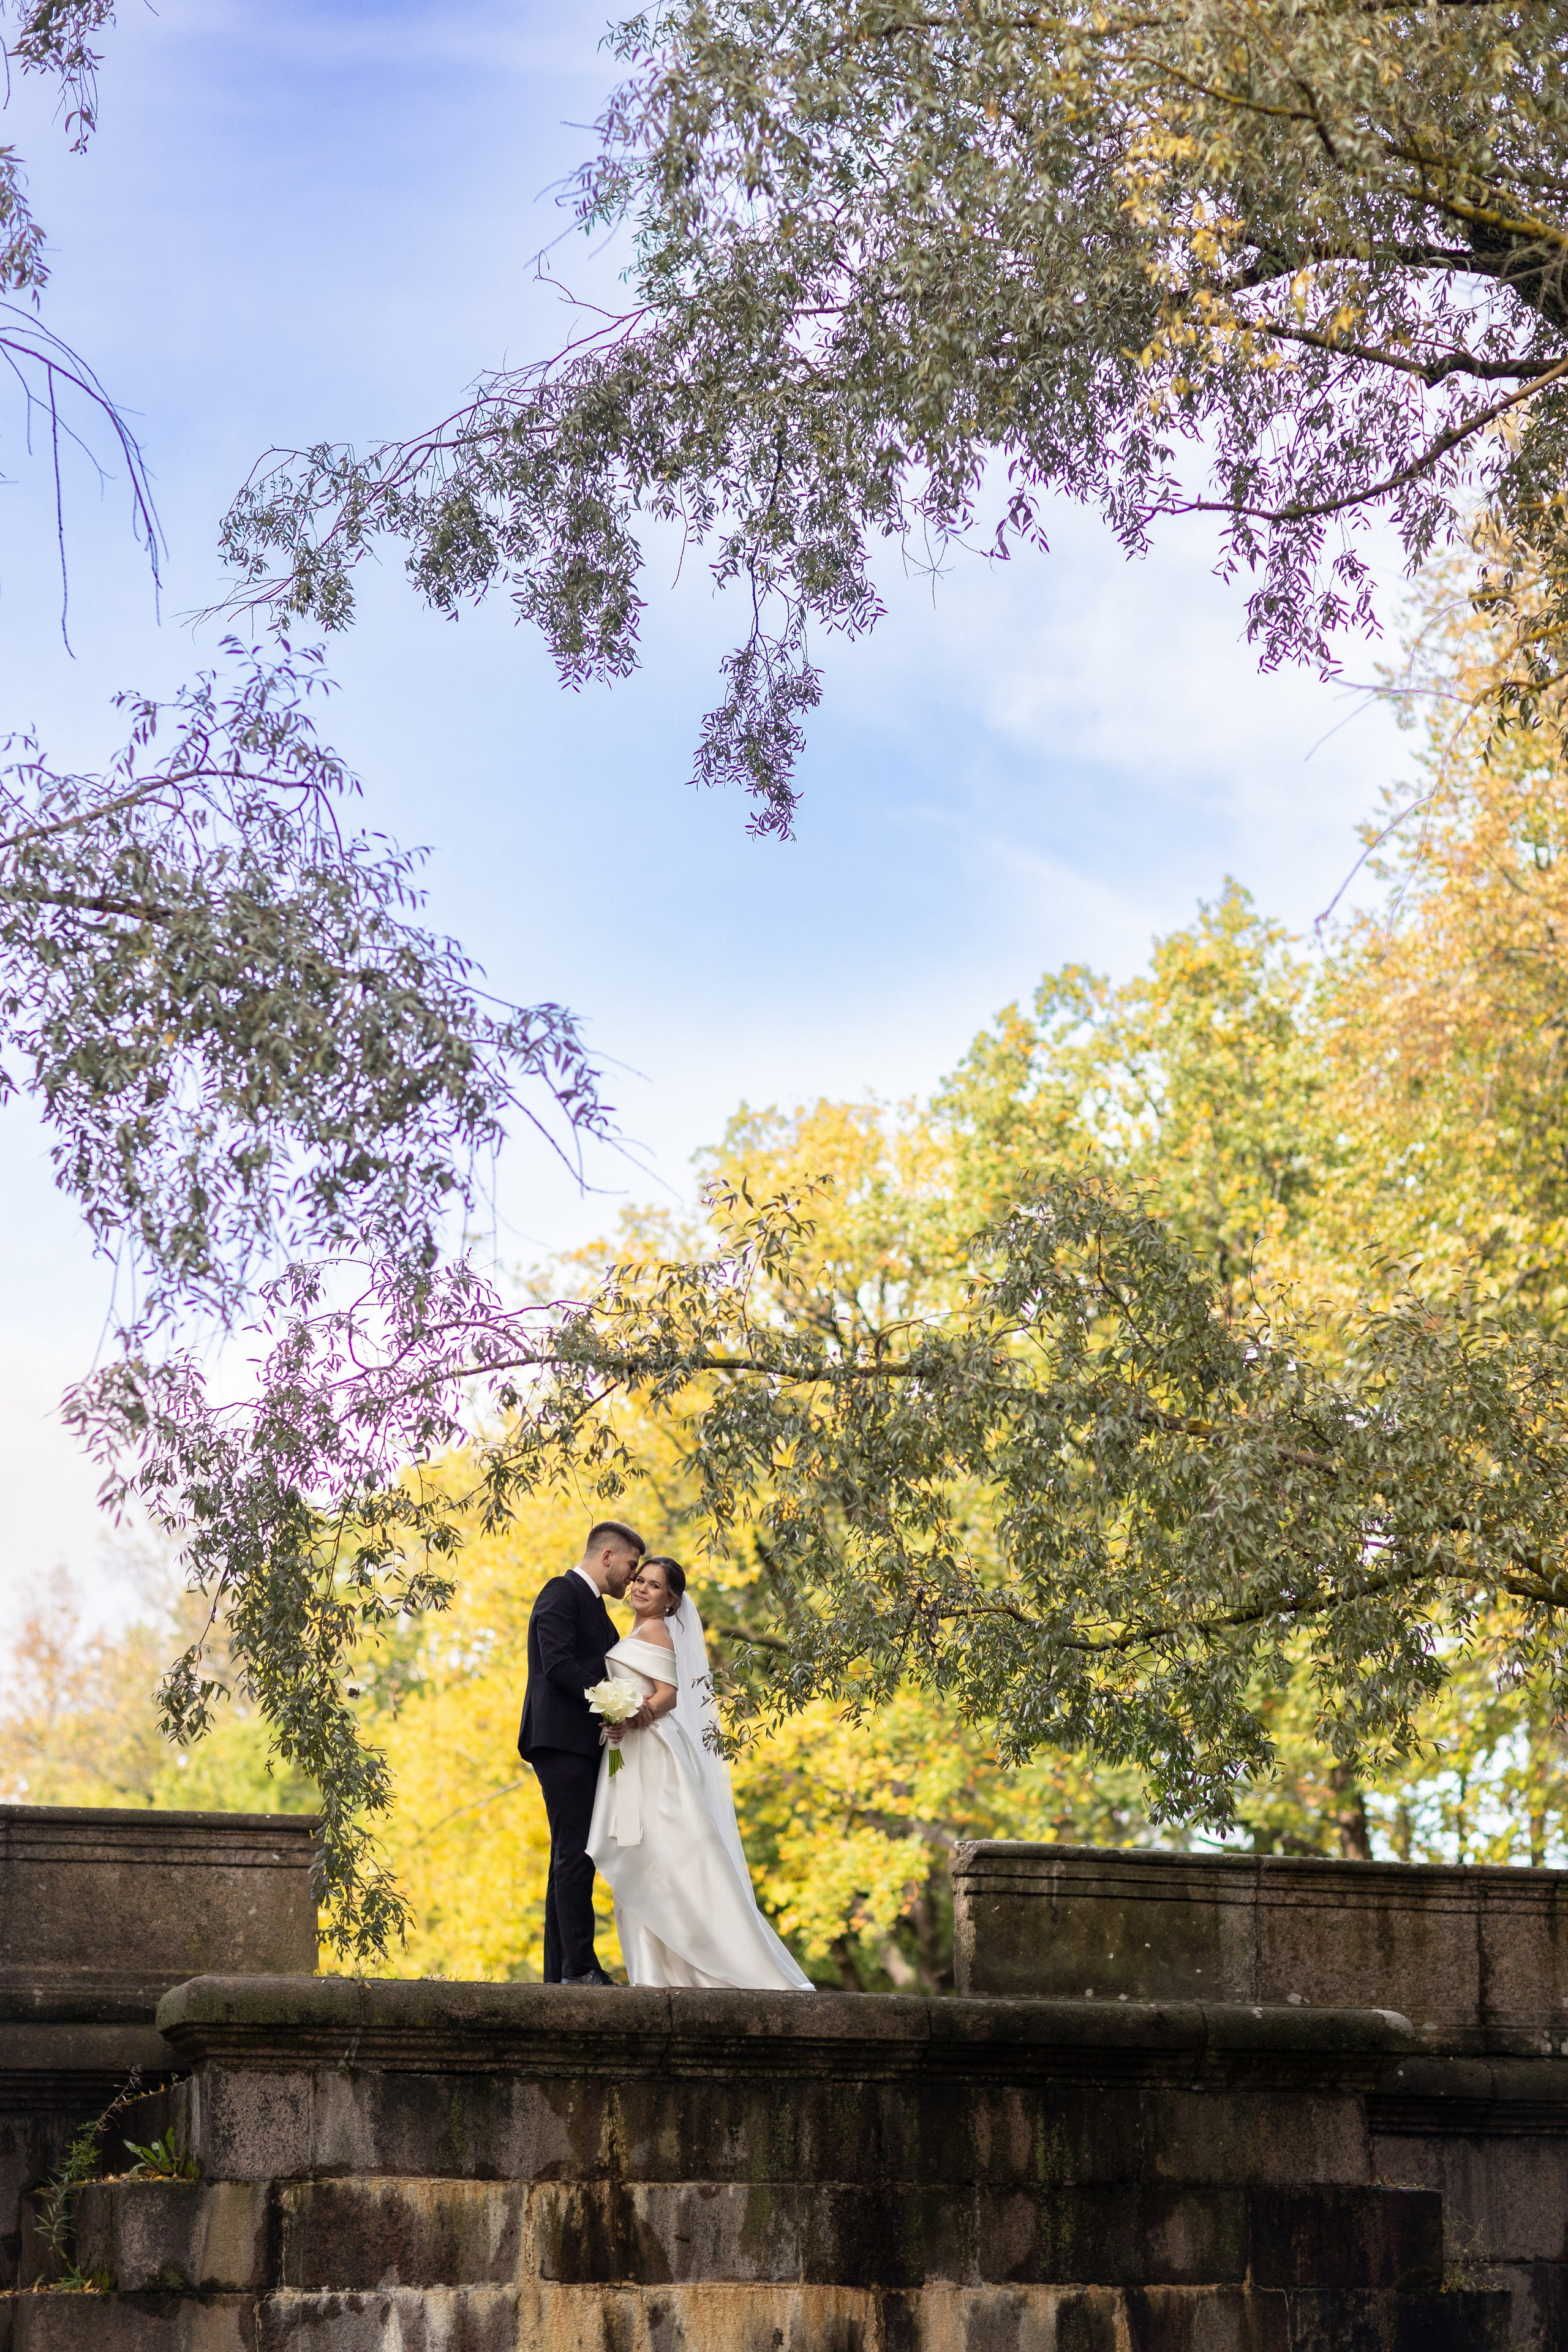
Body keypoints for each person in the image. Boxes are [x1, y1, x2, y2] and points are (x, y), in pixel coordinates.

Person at [586, 1553, 813, 1991]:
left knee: (666, 1852)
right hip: (629, 1750)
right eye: (640, 1581)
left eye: (654, 1586)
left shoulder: (656, 1630)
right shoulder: (639, 1628)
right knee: (648, 1853)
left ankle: (718, 1958)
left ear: (671, 1602)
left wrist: (634, 1715)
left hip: (652, 1749)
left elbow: (668, 1696)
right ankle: (659, 1970)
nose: (640, 1589)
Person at [518, 1520, 651, 1985]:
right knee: (578, 1854)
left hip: (580, 1744)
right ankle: (580, 1968)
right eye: (632, 1567)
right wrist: (611, 1703)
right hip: (560, 1741)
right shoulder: (561, 1592)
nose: (633, 1578)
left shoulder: (596, 1609)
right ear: (608, 1556)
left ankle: (561, 1973)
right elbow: (556, 1665)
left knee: (569, 1855)